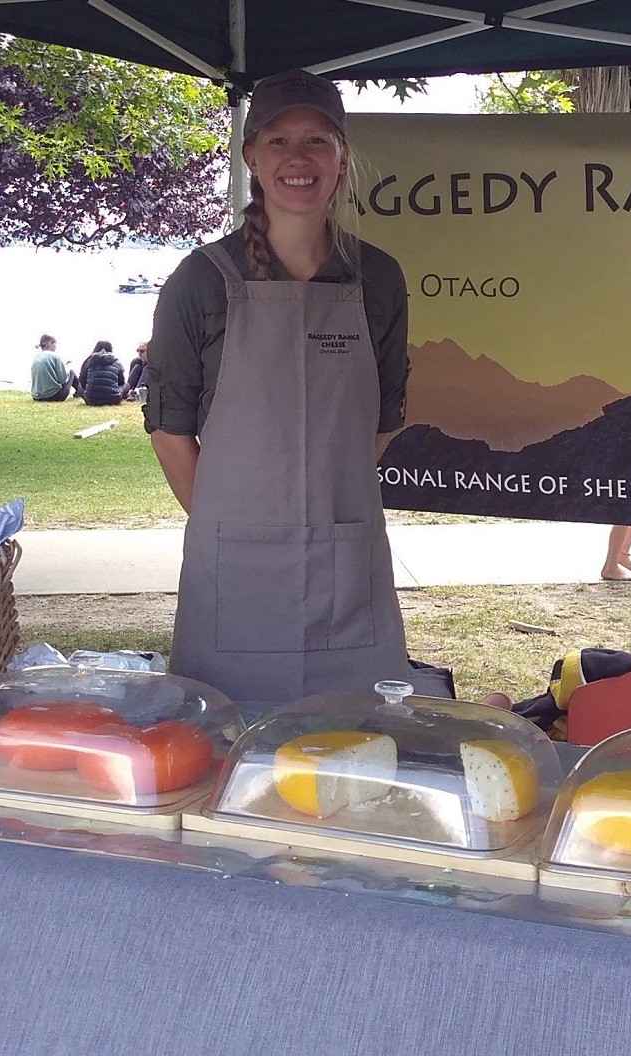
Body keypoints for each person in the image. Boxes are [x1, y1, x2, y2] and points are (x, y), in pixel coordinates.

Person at [145, 68, 411, 708]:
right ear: (251, 156)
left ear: (342, 158)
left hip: (345, 556)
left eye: (318, 141)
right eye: (279, 141)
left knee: (351, 741)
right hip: (233, 564)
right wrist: (228, 521)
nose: (299, 158)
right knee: (228, 741)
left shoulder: (376, 276)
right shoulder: (199, 280)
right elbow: (169, 427)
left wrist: (322, 500)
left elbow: (387, 414)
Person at [78, 340, 126, 406]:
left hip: (91, 399)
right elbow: (121, 382)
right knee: (127, 386)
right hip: (113, 399)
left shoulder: (89, 360)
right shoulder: (116, 361)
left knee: (79, 386)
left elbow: (82, 380)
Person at [29, 334, 74, 402]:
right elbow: (63, 379)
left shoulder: (37, 358)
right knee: (71, 372)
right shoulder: (55, 356)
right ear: (50, 344)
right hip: (53, 396)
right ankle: (79, 392)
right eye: (55, 344)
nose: (56, 347)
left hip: (36, 397)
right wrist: (67, 368)